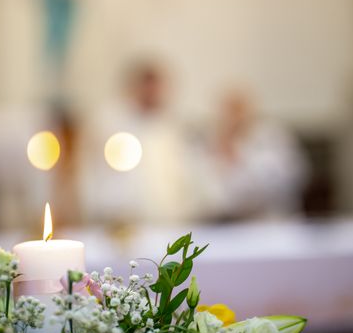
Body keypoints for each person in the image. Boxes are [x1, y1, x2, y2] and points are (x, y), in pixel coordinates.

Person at [77, 61, 189, 225]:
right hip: (117, 215)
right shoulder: (109, 120)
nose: (153, 93)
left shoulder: (168, 126)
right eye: (148, 87)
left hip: (162, 220)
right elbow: (91, 166)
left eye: (158, 88)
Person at [205, 89, 308, 220]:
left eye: (237, 109)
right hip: (232, 223)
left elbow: (291, 177)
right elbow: (214, 193)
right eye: (227, 111)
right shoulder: (215, 142)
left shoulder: (272, 136)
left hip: (274, 220)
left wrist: (240, 158)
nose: (233, 117)